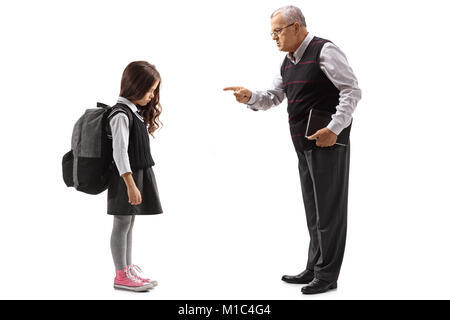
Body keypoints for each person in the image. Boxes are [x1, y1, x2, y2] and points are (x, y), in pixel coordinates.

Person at [224, 6, 361, 294]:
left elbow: (351, 90)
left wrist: (334, 128)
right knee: (314, 211)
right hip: (303, 146)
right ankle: (314, 268)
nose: (273, 37)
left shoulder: (325, 51)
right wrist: (250, 97)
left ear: (296, 27)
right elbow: (274, 96)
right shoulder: (287, 62)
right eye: (271, 32)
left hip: (327, 144)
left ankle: (327, 276)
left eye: (277, 31)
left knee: (329, 212)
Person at [107, 61, 163, 292]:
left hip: (135, 176)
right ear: (135, 86)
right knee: (121, 223)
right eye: (149, 90)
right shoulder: (120, 115)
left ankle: (127, 269)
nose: (151, 96)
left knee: (129, 223)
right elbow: (119, 153)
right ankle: (121, 274)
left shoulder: (133, 112)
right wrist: (130, 184)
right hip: (125, 178)